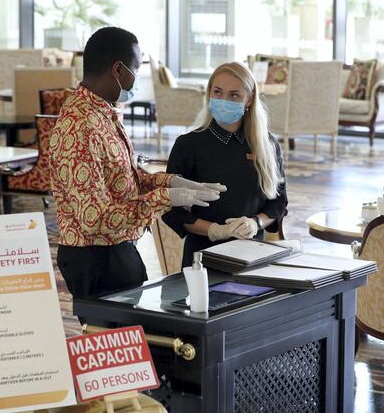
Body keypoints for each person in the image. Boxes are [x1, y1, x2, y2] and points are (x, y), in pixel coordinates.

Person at [49, 26, 226, 306]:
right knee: (110, 345)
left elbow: (124, 182)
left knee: (136, 340)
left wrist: (171, 182)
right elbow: (94, 219)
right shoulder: (80, 127)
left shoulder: (102, 114)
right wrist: (164, 199)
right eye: (136, 68)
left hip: (116, 250)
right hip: (95, 258)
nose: (138, 78)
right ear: (118, 70)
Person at [162, 62, 287, 267]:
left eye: (234, 95)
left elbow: (278, 202)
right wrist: (214, 230)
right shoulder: (188, 145)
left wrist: (255, 224)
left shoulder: (267, 144)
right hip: (202, 259)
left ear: (249, 99)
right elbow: (171, 209)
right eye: (217, 92)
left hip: (253, 255)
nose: (224, 100)